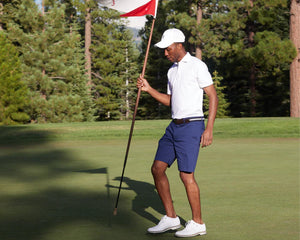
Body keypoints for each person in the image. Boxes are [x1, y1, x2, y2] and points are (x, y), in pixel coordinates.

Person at [136, 28, 218, 238]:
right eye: (164, 49)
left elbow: (212, 96)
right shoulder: (171, 71)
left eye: (168, 48)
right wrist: (149, 89)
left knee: (186, 175)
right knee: (157, 168)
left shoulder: (197, 66)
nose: (165, 53)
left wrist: (209, 128)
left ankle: (198, 223)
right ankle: (171, 219)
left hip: (192, 125)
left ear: (179, 45)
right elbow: (170, 100)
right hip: (174, 126)